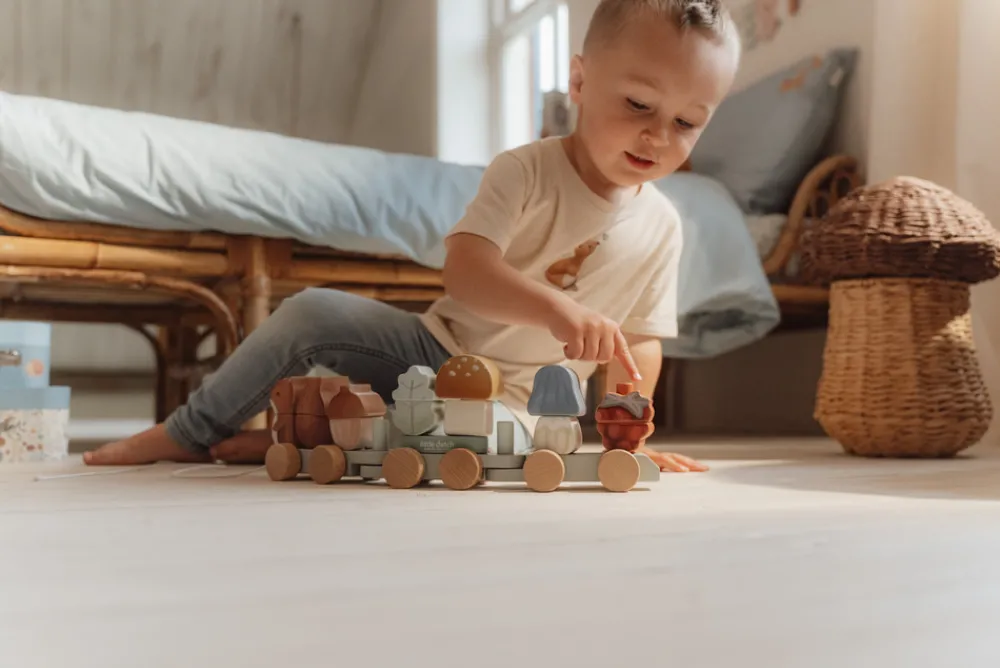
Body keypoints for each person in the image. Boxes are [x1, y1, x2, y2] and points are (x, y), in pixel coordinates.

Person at [84, 0, 741, 473]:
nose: (658, 136)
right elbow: (466, 272)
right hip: (433, 352)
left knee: (486, 450)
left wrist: (630, 440)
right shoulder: (525, 170)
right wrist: (555, 309)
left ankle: (311, 444)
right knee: (311, 311)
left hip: (523, 407)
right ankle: (188, 431)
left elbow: (640, 341)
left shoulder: (663, 226)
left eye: (687, 122)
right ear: (579, 81)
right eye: (638, 104)